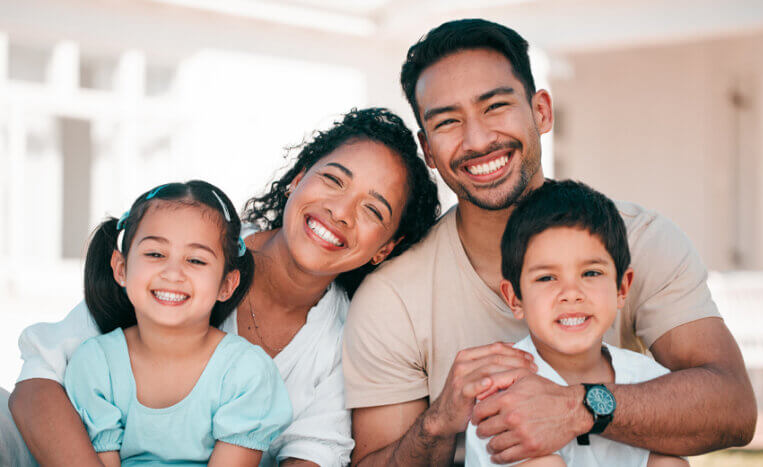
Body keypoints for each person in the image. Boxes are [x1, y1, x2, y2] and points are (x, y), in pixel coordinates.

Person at [343, 19, 756, 465]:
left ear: (541, 111)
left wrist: (576, 407)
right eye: (448, 122)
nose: (478, 140)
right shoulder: (394, 297)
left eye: (496, 106)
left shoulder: (641, 239)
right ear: (427, 148)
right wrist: (438, 420)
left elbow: (733, 408)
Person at [6, 108, 441, 466]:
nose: (340, 211)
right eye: (333, 179)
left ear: (385, 247)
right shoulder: (188, 251)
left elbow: (312, 454)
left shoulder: (349, 337)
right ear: (298, 177)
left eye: (372, 209)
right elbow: (37, 384)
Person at [66, 180, 293, 465]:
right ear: (121, 268)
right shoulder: (95, 364)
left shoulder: (245, 372)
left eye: (196, 260)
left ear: (227, 283)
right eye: (155, 254)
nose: (173, 273)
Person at [464, 179, 687, 467]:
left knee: (668, 461)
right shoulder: (503, 388)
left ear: (621, 287)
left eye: (591, 273)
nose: (571, 294)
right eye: (546, 278)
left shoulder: (648, 380)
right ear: (515, 298)